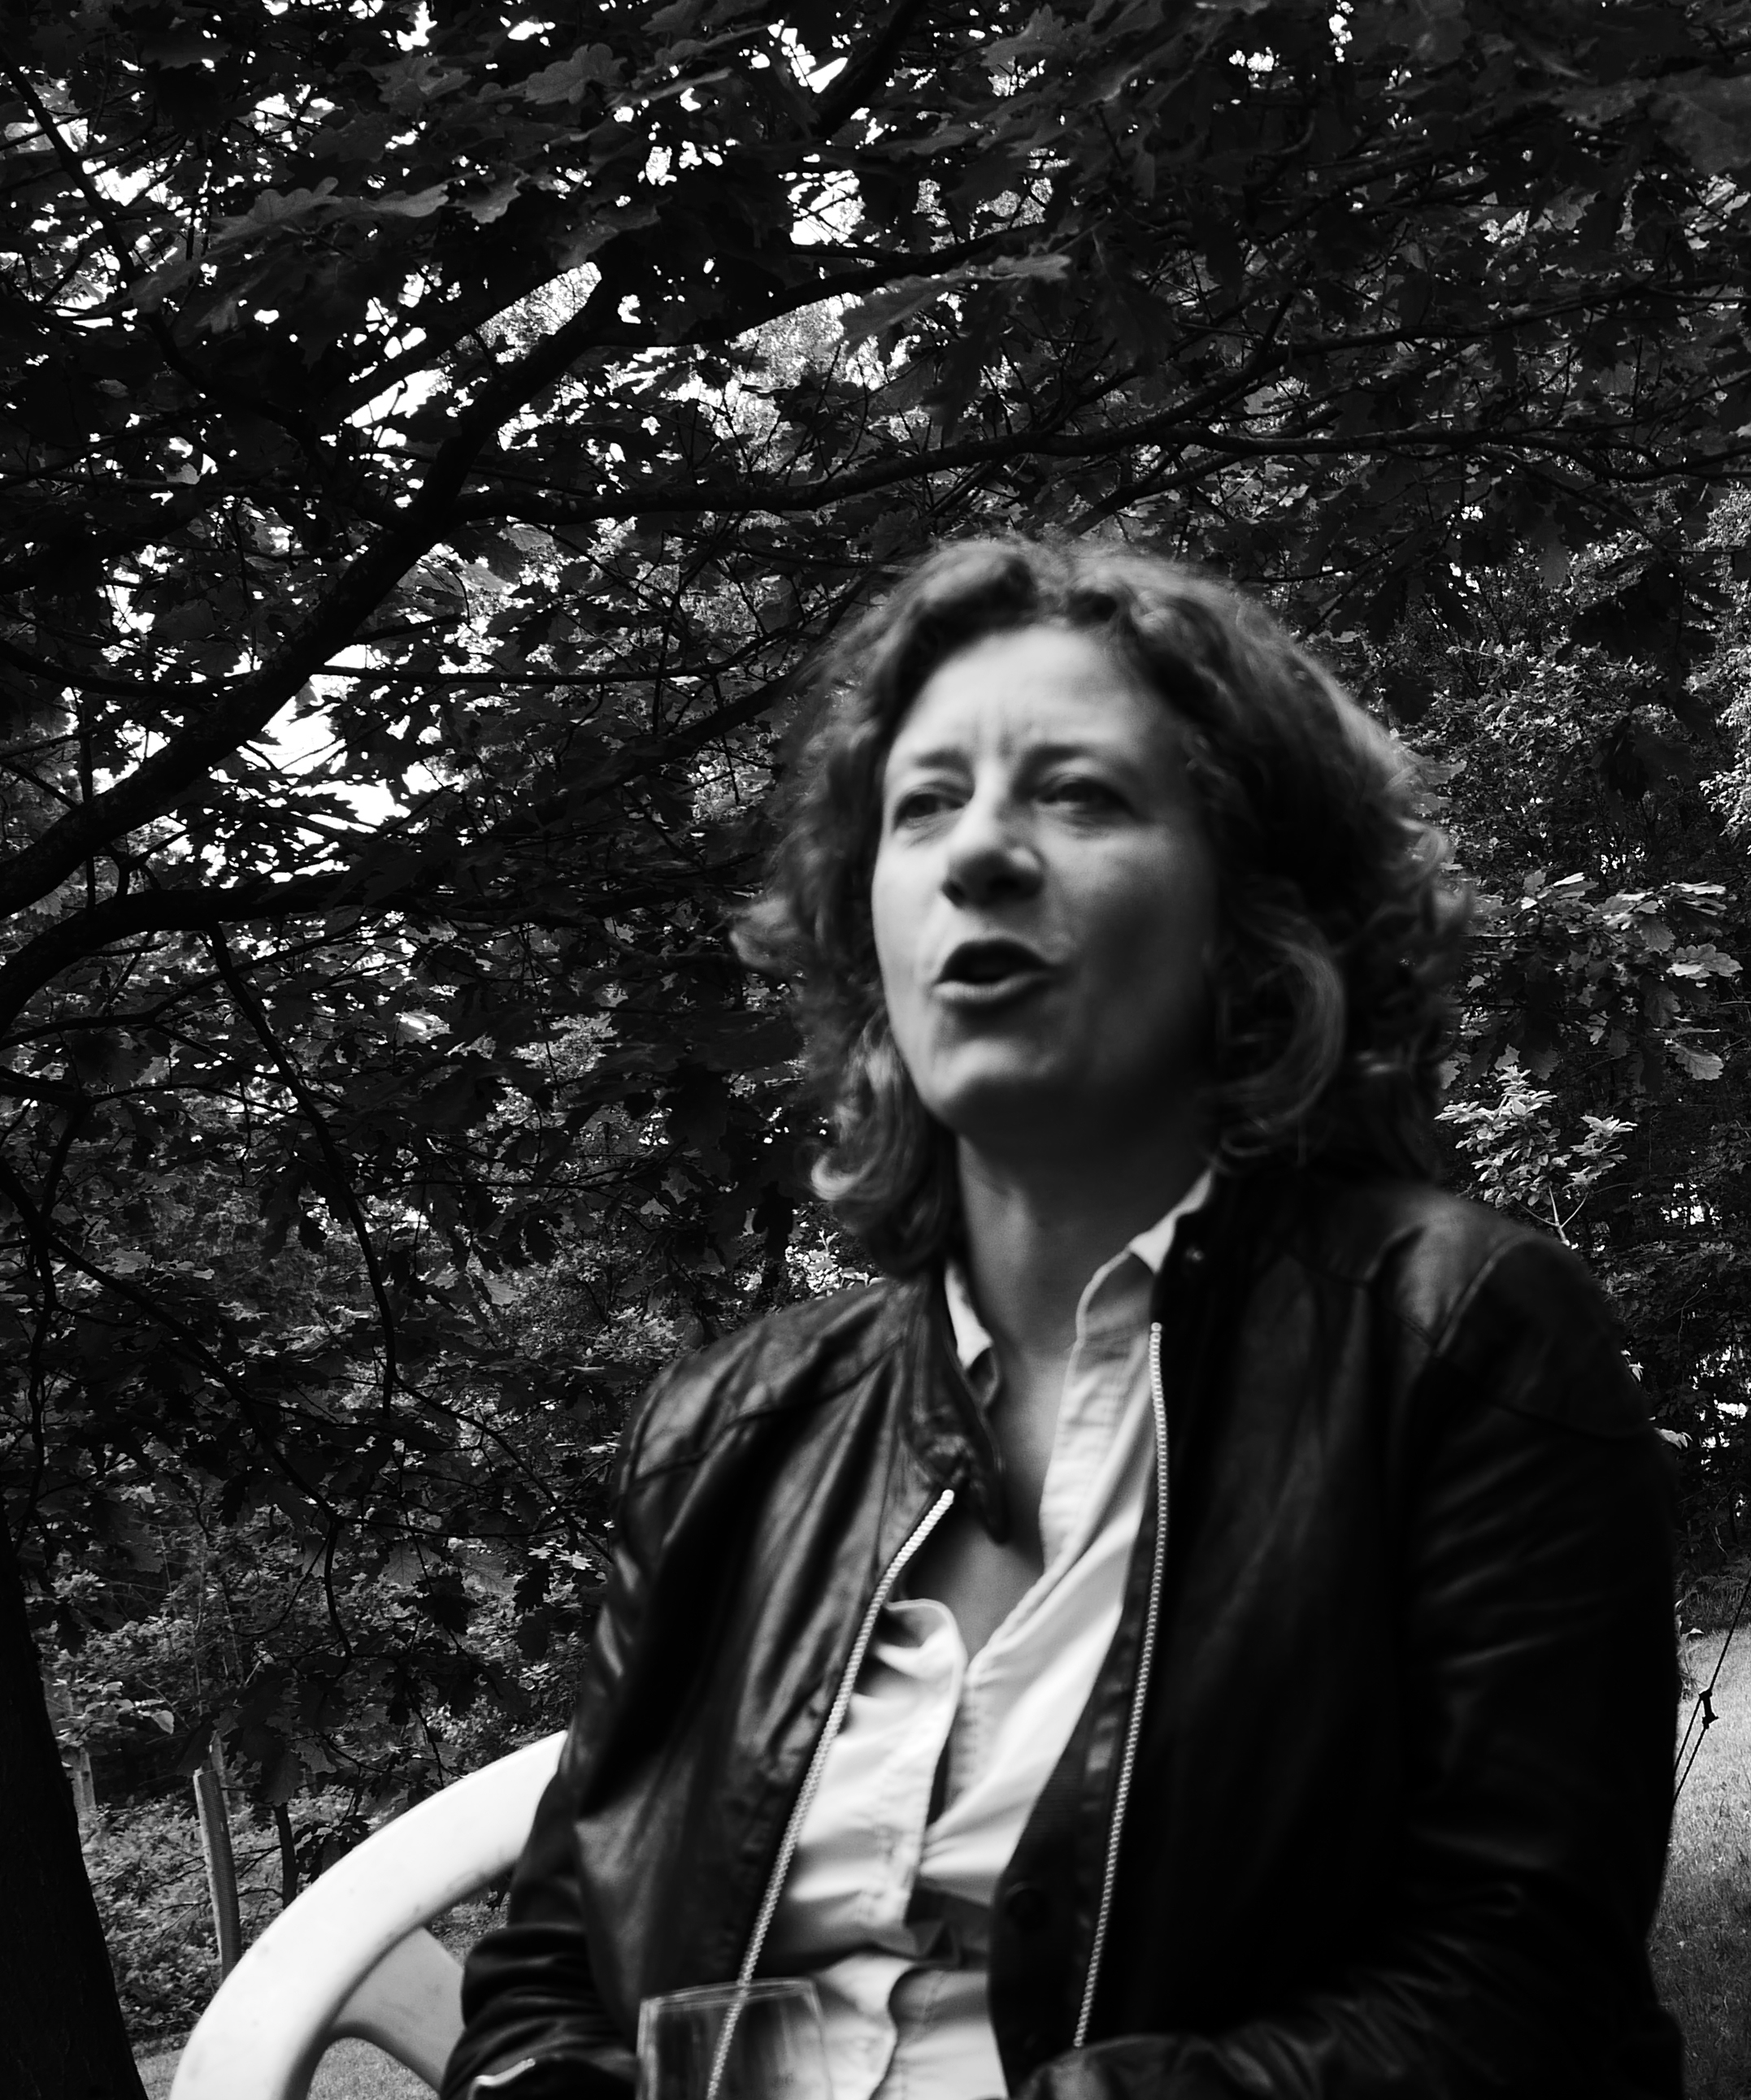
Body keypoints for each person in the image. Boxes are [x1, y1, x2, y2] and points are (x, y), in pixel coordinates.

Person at [445, 541, 1684, 2100]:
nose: (978, 850)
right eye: (923, 804)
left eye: (1080, 794)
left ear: (1252, 911)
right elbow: (547, 1974)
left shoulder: (1457, 1335)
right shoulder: (723, 1430)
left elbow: (1520, 1993)